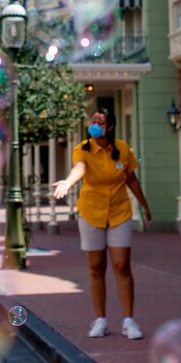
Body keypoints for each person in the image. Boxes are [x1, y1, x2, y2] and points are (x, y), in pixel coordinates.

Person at [51, 107, 152, 340]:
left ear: (110, 126)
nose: (95, 124)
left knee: (121, 265)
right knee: (96, 267)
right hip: (91, 212)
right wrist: (67, 182)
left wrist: (145, 206)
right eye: (93, 120)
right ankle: (101, 320)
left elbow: (132, 180)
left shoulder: (123, 149)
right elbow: (79, 169)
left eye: (101, 121)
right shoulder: (82, 149)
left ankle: (129, 320)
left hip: (119, 212)